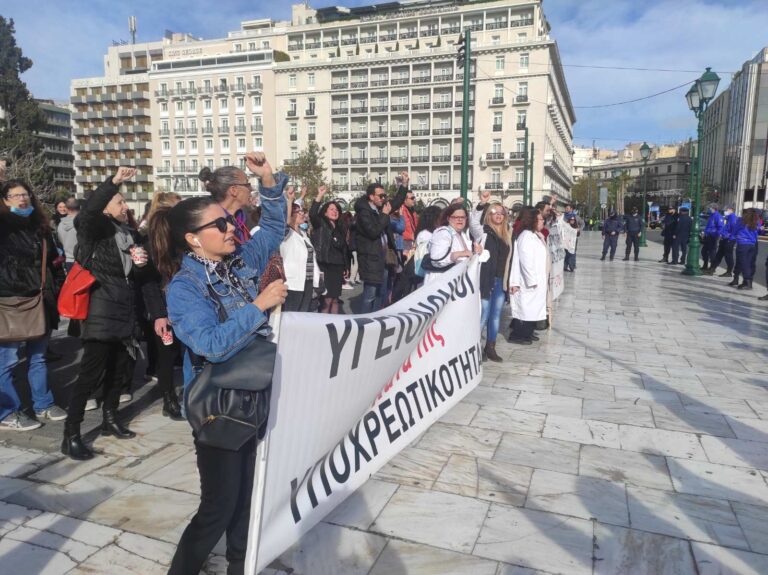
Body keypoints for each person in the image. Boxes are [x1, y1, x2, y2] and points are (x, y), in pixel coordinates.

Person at [155, 152, 287, 575]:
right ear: (193, 238)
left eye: (229, 221)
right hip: (218, 407)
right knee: (219, 506)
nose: (232, 228)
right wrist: (259, 305)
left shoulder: (238, 262)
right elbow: (211, 346)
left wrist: (268, 180)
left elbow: (274, 230)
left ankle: (238, 567)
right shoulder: (185, 288)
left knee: (248, 498)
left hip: (253, 394)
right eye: (221, 225)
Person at [61, 167, 146, 460]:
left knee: (119, 371)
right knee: (90, 374)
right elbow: (88, 212)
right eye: (120, 202)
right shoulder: (94, 229)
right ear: (107, 207)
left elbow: (133, 274)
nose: (125, 206)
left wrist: (141, 263)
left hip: (124, 310)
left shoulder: (128, 233)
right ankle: (71, 433)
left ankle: (110, 418)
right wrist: (113, 183)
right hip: (101, 310)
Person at [1, 180, 66, 431]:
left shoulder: (40, 226)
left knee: (38, 357)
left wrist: (54, 286)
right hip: (9, 302)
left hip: (40, 299)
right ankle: (7, 412)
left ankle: (43, 403)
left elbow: (52, 261)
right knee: (7, 360)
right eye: (15, 195)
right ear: (4, 200)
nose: (22, 199)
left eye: (25, 194)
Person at [143, 191, 184, 420]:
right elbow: (148, 283)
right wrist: (159, 313)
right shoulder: (151, 243)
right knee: (166, 354)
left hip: (183, 303)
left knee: (181, 353)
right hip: (164, 306)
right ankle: (169, 399)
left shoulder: (181, 239)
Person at [355, 178, 408, 312]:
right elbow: (373, 232)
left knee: (381, 293)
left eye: (384, 195)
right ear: (371, 196)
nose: (383, 198)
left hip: (384, 257)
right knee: (370, 295)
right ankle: (364, 320)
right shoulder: (364, 212)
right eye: (380, 196)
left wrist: (404, 185)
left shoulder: (381, 208)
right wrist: (384, 214)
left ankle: (376, 318)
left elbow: (396, 202)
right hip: (371, 258)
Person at [469, 191, 510, 362]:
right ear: (489, 215)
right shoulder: (483, 232)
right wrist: (481, 204)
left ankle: (490, 347)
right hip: (485, 280)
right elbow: (473, 222)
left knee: (496, 315)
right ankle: (474, 347)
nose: (498, 215)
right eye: (494, 212)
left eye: (501, 213)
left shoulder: (507, 234)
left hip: (500, 280)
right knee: (483, 314)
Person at [508, 207, 548, 345]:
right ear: (532, 220)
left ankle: (528, 332)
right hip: (529, 281)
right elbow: (526, 261)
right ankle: (518, 335)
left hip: (538, 280)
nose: (543, 221)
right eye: (540, 219)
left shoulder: (534, 235)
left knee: (533, 309)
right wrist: (532, 280)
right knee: (525, 309)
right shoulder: (526, 236)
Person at [309, 185, 350, 314]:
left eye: (337, 209)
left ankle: (335, 322)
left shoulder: (340, 228)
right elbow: (312, 213)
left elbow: (344, 250)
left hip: (337, 267)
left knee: (335, 299)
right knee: (326, 300)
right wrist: (320, 195)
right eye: (331, 209)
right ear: (325, 212)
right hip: (325, 265)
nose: (335, 211)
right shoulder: (320, 223)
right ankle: (324, 323)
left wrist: (346, 267)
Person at [282, 192, 319, 312]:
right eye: (298, 212)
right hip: (293, 284)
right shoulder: (286, 234)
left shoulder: (303, 234)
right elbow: (285, 223)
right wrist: (289, 201)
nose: (302, 214)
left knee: (304, 316)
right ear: (290, 215)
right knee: (292, 316)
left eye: (302, 211)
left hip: (307, 282)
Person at [201, 164, 254, 243]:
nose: (252, 189)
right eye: (247, 184)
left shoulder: (242, 218)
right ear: (234, 190)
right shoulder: (210, 224)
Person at [427, 203, 481, 273]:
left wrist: (475, 253)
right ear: (448, 219)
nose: (460, 219)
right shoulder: (443, 233)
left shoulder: (463, 235)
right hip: (441, 277)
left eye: (463, 217)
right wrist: (458, 254)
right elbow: (436, 259)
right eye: (456, 217)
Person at [728, 208, 759, 290]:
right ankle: (746, 281)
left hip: (742, 244)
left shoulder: (741, 220)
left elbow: (735, 231)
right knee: (748, 263)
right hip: (752, 244)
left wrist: (731, 239)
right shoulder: (755, 221)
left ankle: (746, 282)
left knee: (743, 263)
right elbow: (757, 232)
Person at [704, 205, 737, 277]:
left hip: (729, 240)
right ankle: (712, 269)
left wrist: (730, 238)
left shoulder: (733, 218)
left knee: (728, 256)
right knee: (719, 255)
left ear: (731, 210)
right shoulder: (728, 218)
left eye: (726, 210)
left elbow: (734, 230)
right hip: (724, 238)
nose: (725, 211)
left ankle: (729, 272)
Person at [57, 197, 82, 273]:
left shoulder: (60, 225)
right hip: (84, 261)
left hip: (69, 261)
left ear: (67, 209)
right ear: (80, 207)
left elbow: (61, 241)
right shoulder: (83, 223)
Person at [701, 203, 723, 271]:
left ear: (714, 208)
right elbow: (708, 226)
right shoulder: (711, 215)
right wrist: (704, 233)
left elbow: (720, 227)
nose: (709, 209)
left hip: (713, 236)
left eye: (710, 208)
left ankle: (712, 268)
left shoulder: (718, 216)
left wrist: (717, 236)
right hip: (708, 236)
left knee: (712, 253)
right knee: (704, 251)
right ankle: (705, 265)